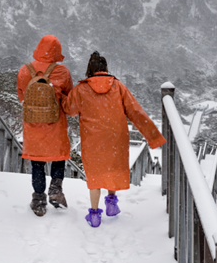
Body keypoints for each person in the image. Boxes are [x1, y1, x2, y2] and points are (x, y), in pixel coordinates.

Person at [63, 51, 166, 228]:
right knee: (111, 169)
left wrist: (62, 96)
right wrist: (154, 137)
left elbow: (70, 110)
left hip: (93, 138)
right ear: (106, 69)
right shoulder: (118, 87)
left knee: (95, 175)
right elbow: (135, 112)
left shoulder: (81, 89)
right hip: (116, 136)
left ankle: (94, 215)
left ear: (90, 69)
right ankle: (111, 204)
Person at [17, 35, 73, 216]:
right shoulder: (62, 72)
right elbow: (70, 101)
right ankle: (55, 190)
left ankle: (38, 200)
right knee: (58, 157)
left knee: (37, 162)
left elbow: (21, 96)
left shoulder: (25, 70)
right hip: (55, 123)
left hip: (32, 124)